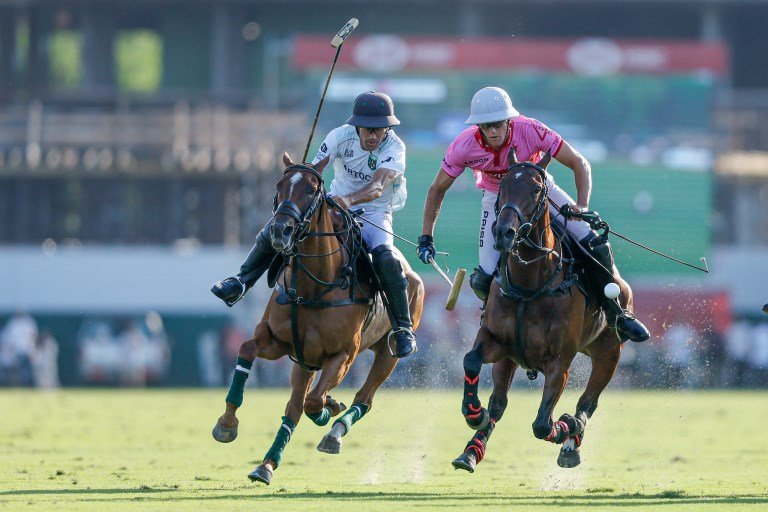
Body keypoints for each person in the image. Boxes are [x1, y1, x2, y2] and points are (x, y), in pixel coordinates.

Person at [418, 86, 649, 342]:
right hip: (497, 197)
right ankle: (496, 322)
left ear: (508, 120)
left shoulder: (530, 129)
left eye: (497, 124)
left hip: (537, 189)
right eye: (486, 126)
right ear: (478, 127)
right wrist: (426, 237)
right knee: (483, 278)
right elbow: (437, 188)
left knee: (590, 240)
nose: (493, 131)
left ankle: (616, 311)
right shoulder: (463, 146)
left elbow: (578, 162)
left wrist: (581, 206)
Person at [211, 91, 417, 357]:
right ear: (357, 126)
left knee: (387, 258)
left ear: (388, 128)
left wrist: (349, 200)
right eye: (367, 130)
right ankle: (240, 282)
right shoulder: (340, 136)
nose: (373, 136)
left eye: (379, 130)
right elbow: (316, 169)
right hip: (334, 204)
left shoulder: (395, 148)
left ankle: (402, 328)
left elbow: (378, 187)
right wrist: (303, 173)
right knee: (283, 225)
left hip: (374, 213)